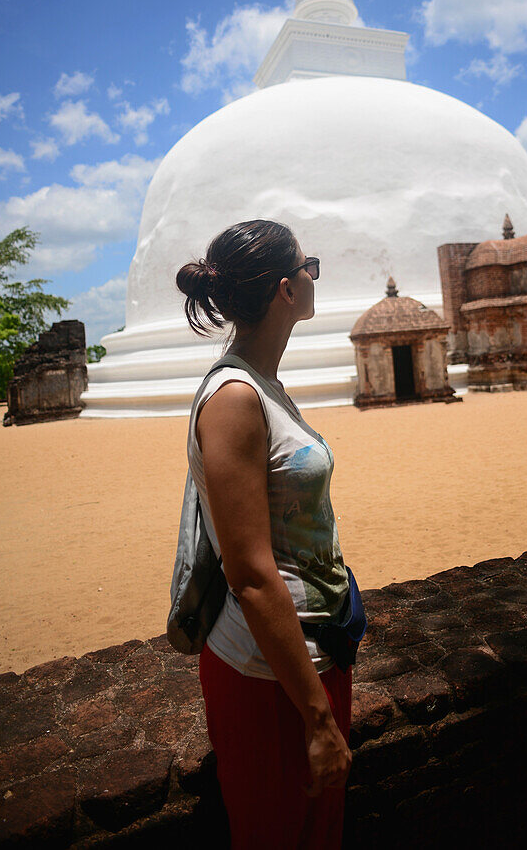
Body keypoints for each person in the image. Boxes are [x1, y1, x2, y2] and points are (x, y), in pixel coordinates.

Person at [176, 219, 353, 849]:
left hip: (308, 656)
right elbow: (251, 576)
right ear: (286, 289)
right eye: (310, 267)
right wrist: (319, 719)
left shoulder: (265, 386)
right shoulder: (233, 399)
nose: (314, 277)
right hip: (270, 676)